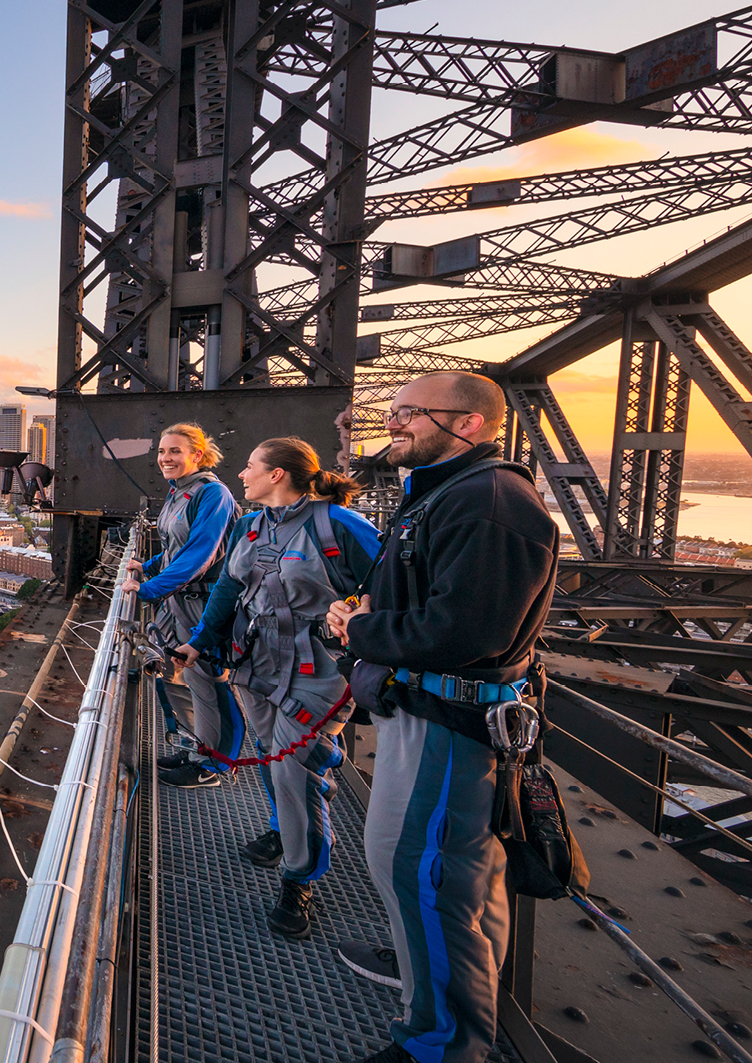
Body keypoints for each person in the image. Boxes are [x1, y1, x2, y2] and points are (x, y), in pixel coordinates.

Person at [325, 371, 559, 1063]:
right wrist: (364, 620)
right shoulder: (449, 494)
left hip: (447, 726)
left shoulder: (490, 504)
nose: (394, 425)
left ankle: (440, 1044)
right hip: (433, 713)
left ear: (470, 425)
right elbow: (432, 606)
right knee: (462, 879)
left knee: (415, 868)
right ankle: (455, 999)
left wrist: (360, 633)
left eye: (411, 414)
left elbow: (465, 632)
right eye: (393, 413)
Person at [177, 436, 380, 940]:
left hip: (319, 672)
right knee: (271, 754)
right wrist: (199, 645)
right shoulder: (250, 526)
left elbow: (395, 586)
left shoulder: (341, 525)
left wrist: (363, 615)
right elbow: (228, 589)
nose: (240, 475)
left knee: (297, 770)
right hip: (256, 661)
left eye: (248, 466)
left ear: (277, 475)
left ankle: (300, 877)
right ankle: (281, 829)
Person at [121, 423, 243, 788]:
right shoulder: (179, 494)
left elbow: (200, 556)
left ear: (198, 456)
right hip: (182, 600)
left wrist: (147, 589)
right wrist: (149, 566)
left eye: (175, 451)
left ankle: (217, 765)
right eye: (162, 451)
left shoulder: (213, 494)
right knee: (193, 679)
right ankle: (200, 749)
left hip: (206, 600)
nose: (165, 458)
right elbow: (177, 548)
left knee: (213, 681)